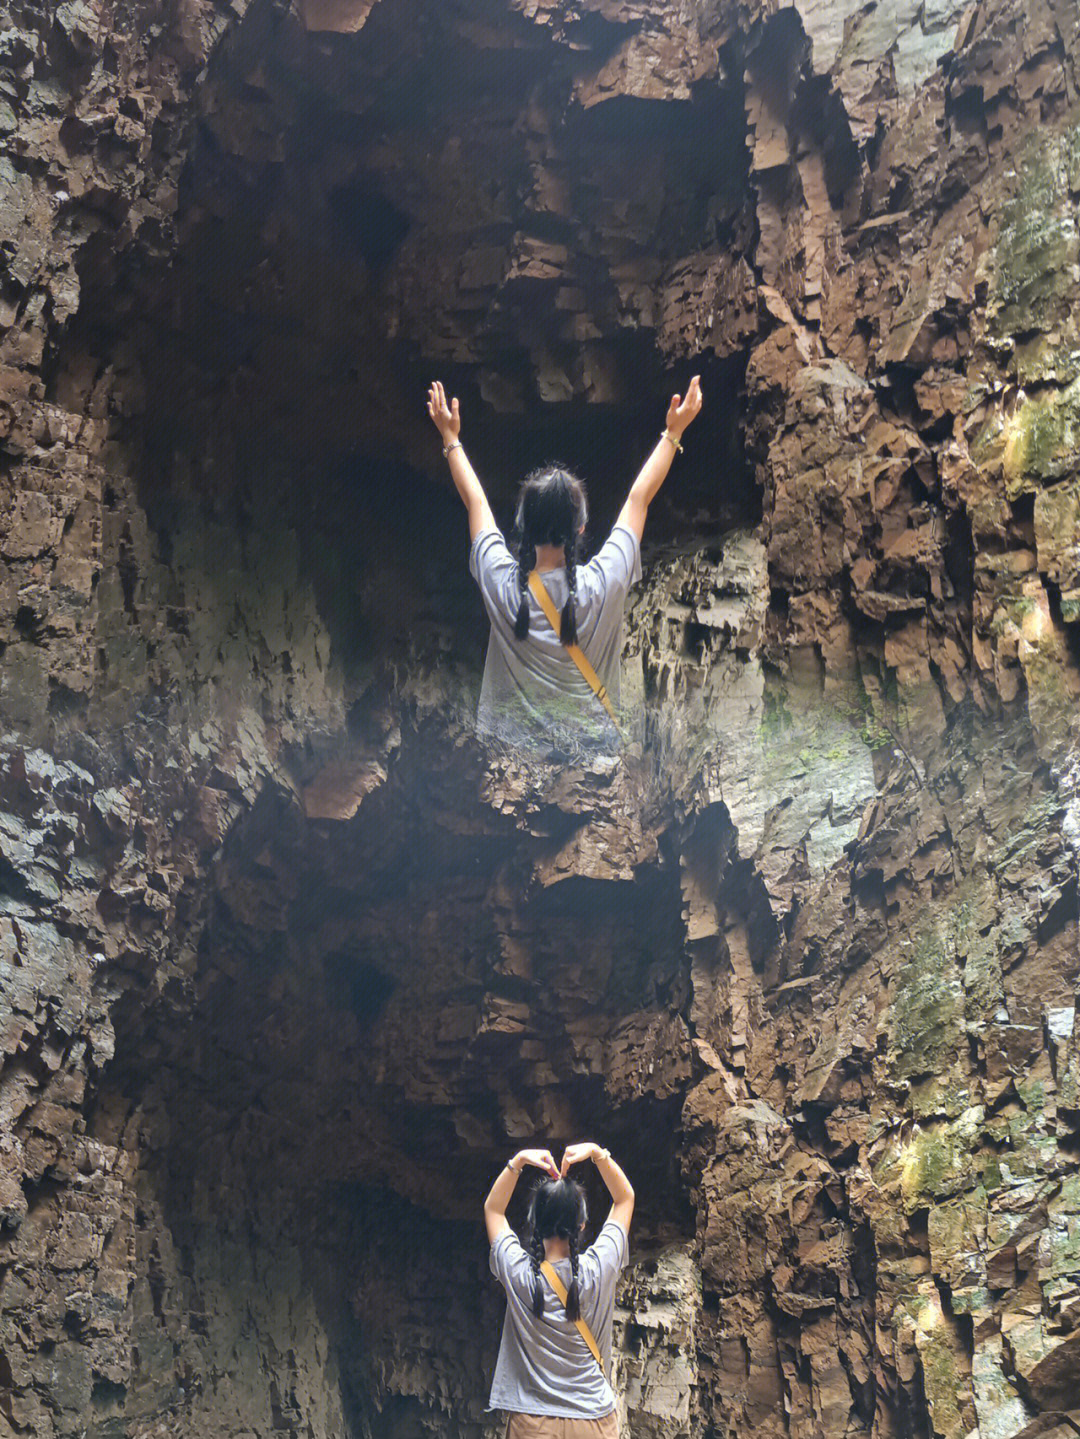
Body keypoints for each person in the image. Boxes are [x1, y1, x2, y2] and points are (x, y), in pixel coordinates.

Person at [426, 377, 704, 755]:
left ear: (521, 528)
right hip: (591, 766)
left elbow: (476, 503)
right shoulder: (603, 584)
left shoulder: (502, 587)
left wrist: (450, 437)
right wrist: (674, 431)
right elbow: (639, 500)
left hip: (510, 765)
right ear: (581, 528)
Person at [482, 1141, 635, 1439]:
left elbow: (493, 1209)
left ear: (534, 1222)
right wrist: (597, 1154)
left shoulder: (519, 1273)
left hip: (532, 1422)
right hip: (593, 1421)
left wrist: (518, 1162)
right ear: (581, 1224)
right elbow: (625, 1198)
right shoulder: (599, 1269)